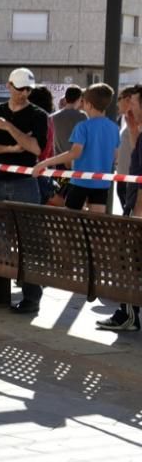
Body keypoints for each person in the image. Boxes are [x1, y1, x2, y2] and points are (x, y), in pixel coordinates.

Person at [0, 67, 50, 314]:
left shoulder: (38, 115)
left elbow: (36, 149)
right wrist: (10, 150)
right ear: (9, 86)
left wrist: (8, 128)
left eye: (28, 89)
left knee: (28, 240)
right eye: (20, 89)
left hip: (24, 182)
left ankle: (31, 297)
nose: (24, 93)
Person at [33, 83, 119, 213]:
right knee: (97, 221)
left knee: (70, 220)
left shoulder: (82, 127)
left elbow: (74, 153)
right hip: (102, 182)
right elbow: (115, 155)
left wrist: (44, 163)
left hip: (80, 182)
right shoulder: (114, 128)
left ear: (88, 105)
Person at [97, 84, 141, 331]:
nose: (128, 106)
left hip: (136, 204)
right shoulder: (134, 129)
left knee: (129, 260)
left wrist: (135, 213)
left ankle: (129, 315)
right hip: (131, 195)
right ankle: (127, 313)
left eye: (133, 102)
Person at [52, 85, 86, 157]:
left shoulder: (53, 117)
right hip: (76, 159)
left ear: (66, 98)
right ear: (79, 99)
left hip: (58, 159)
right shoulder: (82, 116)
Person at [116, 88, 135, 210]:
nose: (117, 103)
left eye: (119, 99)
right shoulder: (126, 120)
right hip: (123, 176)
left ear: (128, 100)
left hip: (132, 179)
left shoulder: (136, 122)